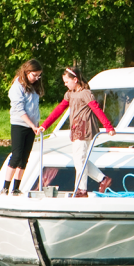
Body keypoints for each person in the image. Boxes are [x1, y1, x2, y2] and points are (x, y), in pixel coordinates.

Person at [41, 66, 117, 195]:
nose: (65, 84)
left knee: (79, 160)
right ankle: (103, 179)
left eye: (66, 82)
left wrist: (108, 126)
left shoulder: (86, 93)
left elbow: (96, 109)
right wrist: (45, 125)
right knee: (80, 159)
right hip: (76, 129)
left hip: (85, 129)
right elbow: (59, 109)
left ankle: (82, 190)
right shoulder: (70, 94)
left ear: (75, 79)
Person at [3, 60, 45, 194]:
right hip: (20, 124)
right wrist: (32, 125)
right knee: (16, 155)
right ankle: (5, 187)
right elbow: (20, 110)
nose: (36, 78)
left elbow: (34, 107)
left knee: (25, 157)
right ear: (27, 72)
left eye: (39, 75)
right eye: (34, 75)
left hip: (32, 126)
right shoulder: (17, 86)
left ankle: (16, 187)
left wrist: (37, 124)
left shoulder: (34, 87)